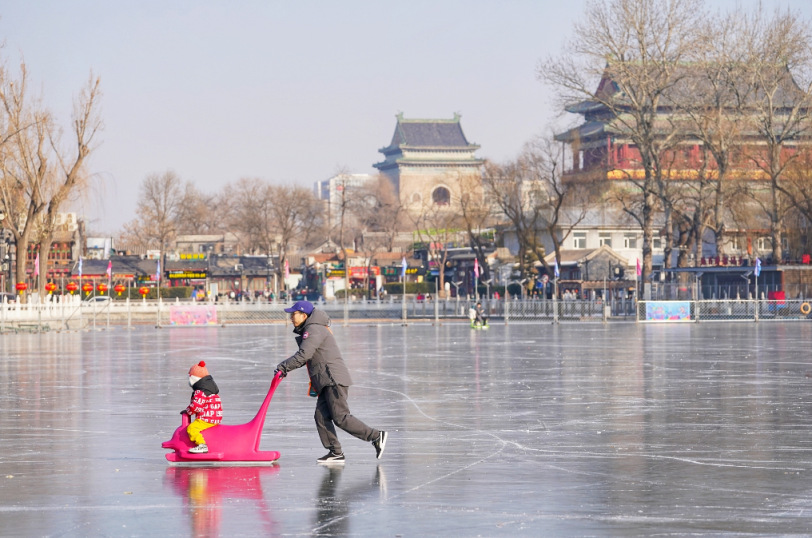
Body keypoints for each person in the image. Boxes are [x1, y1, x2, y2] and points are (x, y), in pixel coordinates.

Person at [275, 300, 387, 464]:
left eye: (294, 314)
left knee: (340, 417)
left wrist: (283, 367)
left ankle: (376, 436)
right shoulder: (312, 328)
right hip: (325, 379)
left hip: (333, 379)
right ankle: (336, 452)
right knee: (321, 417)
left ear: (304, 315)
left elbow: (304, 354)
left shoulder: (314, 329)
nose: (291, 317)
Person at [182, 361, 223, 454]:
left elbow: (196, 406)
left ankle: (202, 445)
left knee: (192, 428)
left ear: (193, 379)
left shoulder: (200, 391)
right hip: (215, 418)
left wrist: (188, 411)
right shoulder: (211, 389)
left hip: (206, 418)